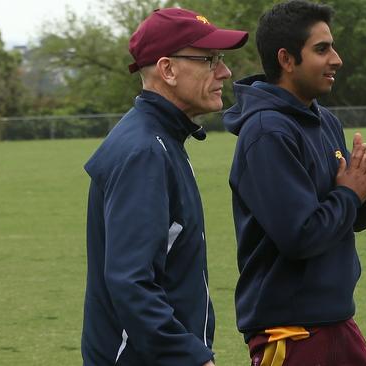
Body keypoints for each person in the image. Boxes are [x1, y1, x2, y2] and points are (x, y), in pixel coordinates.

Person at [223, 1, 366, 365]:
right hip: (291, 332)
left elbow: (352, 218)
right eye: (321, 49)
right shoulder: (266, 132)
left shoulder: (325, 121)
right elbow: (301, 235)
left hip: (337, 320)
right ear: (287, 59)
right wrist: (350, 191)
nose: (336, 59)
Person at [81, 8, 248, 366]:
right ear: (167, 70)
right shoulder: (144, 151)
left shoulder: (160, 139)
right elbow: (131, 283)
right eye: (209, 60)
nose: (225, 71)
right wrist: (190, 356)